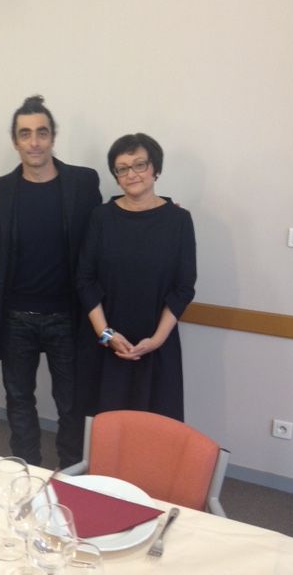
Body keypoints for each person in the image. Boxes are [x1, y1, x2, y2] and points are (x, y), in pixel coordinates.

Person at [0, 95, 102, 467]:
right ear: (15, 141)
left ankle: (71, 474)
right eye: (25, 134)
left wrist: (160, 206)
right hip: (16, 318)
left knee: (72, 404)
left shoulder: (82, 182)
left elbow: (107, 227)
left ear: (53, 137)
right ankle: (27, 472)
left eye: (42, 132)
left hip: (67, 317)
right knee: (19, 400)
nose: (34, 142)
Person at [76, 132, 196, 421]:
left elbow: (183, 287)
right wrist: (106, 335)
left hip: (157, 345)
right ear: (116, 177)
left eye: (140, 165)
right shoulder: (101, 217)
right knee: (104, 427)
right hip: (106, 344)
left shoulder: (179, 220)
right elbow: (85, 280)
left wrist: (156, 340)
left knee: (153, 429)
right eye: (122, 168)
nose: (132, 174)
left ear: (156, 169)